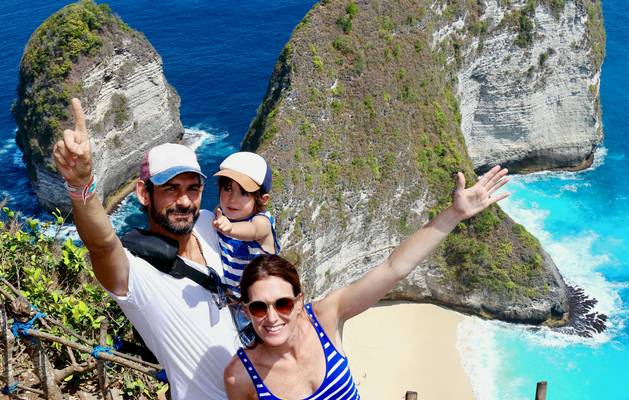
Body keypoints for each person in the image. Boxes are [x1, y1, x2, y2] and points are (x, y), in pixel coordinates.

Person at [223, 165, 510, 400]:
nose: (272, 317)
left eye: (283, 304)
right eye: (259, 308)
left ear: (299, 301)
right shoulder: (240, 375)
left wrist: (454, 214)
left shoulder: (325, 317)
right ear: (246, 311)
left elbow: (394, 267)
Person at [53, 98, 239, 399]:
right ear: (143, 193)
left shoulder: (209, 224)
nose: (184, 201)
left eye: (193, 188)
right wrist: (80, 185)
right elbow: (101, 245)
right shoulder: (136, 273)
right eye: (170, 188)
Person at [212, 151, 280, 297]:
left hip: (263, 299)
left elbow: (254, 230)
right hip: (233, 299)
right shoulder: (221, 215)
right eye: (227, 188)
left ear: (263, 199)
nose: (232, 199)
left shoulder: (263, 221)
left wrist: (230, 228)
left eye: (243, 193)